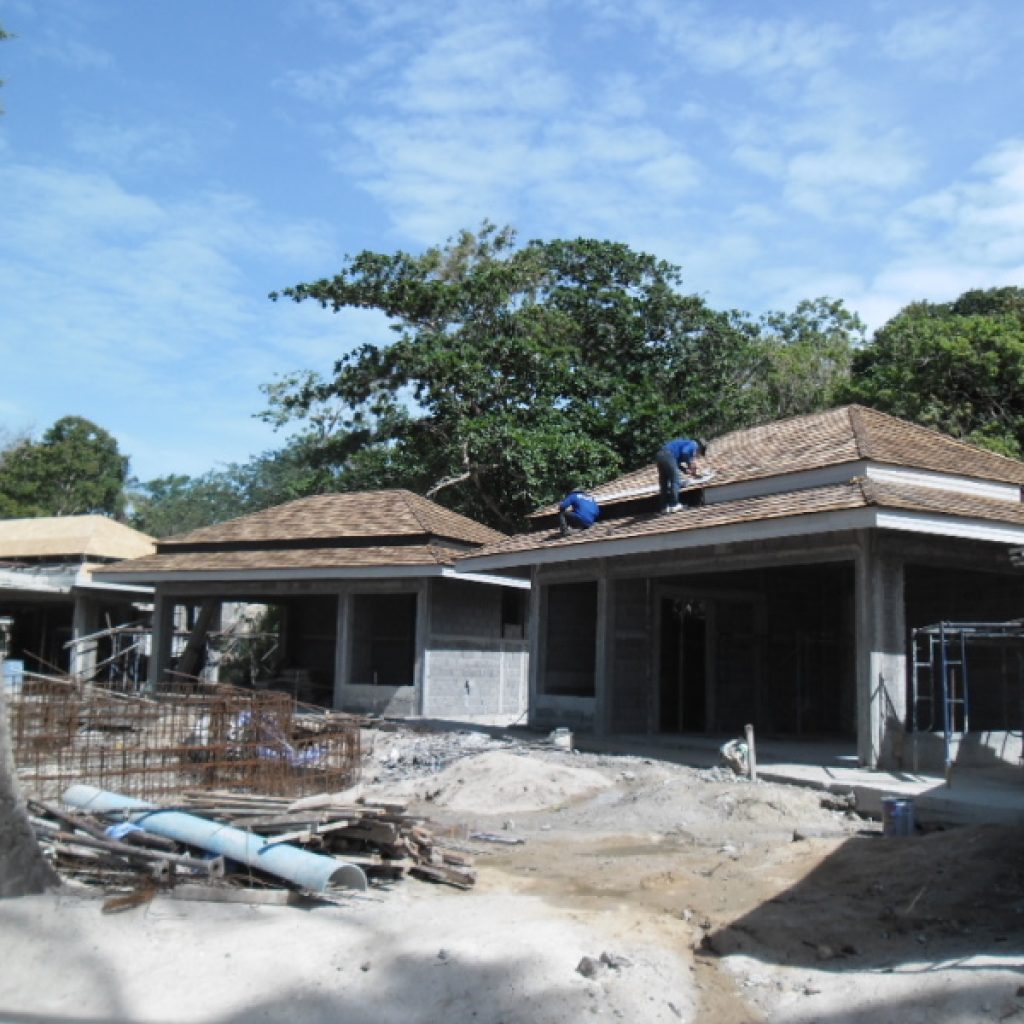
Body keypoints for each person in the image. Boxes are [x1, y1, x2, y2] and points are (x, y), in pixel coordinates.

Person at [656, 437, 708, 512]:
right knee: (675, 480)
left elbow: (675, 462)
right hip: (668, 455)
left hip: (660, 455)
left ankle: (664, 507)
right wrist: (690, 464)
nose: (697, 454)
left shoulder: (684, 446)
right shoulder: (694, 444)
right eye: (699, 453)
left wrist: (685, 470)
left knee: (664, 483)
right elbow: (685, 452)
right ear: (700, 448)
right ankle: (674, 504)